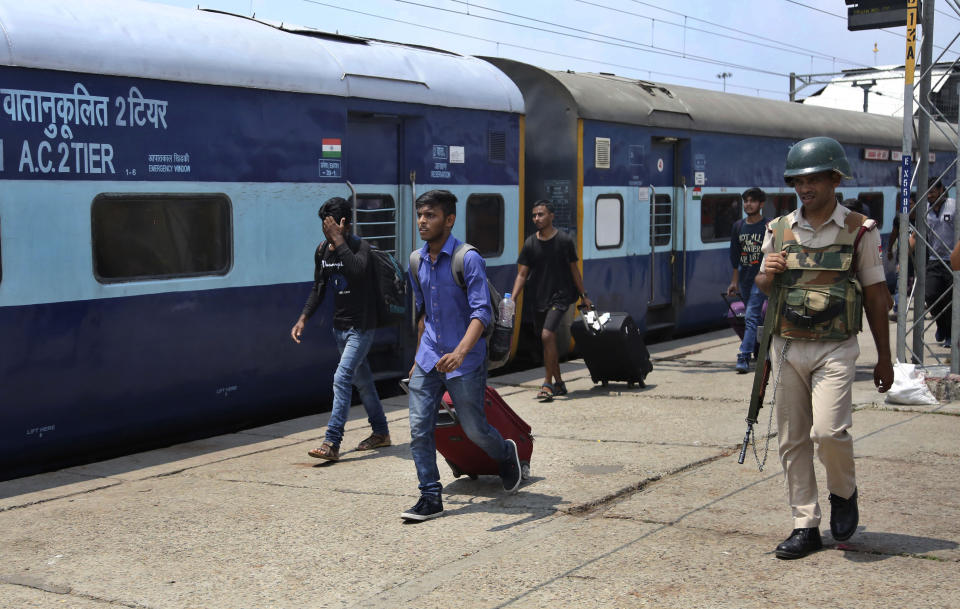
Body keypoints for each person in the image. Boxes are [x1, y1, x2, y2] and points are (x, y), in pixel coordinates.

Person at [755, 136, 893, 560]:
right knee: (793, 439)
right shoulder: (778, 230)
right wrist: (768, 272)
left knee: (828, 432)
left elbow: (875, 294)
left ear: (836, 178)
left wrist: (885, 357)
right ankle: (804, 524)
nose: (805, 187)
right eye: (798, 180)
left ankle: (843, 493)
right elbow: (762, 287)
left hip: (835, 348)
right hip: (787, 346)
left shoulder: (859, 230)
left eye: (814, 178)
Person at [402, 189, 522, 522]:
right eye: (420, 215)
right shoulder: (415, 261)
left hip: (465, 360)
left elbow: (482, 313)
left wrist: (460, 352)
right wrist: (417, 358)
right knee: (418, 429)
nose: (423, 222)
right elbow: (423, 315)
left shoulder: (467, 258)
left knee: (474, 429)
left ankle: (505, 454)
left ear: (449, 220)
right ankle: (429, 495)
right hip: (428, 358)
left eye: (431, 216)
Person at [290, 196, 391, 462]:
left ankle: (332, 442)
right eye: (324, 226)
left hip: (361, 327)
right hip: (340, 328)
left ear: (343, 223)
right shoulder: (322, 250)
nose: (325, 230)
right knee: (364, 383)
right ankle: (381, 433)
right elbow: (319, 288)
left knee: (342, 378)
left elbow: (357, 271)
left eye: (330, 225)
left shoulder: (361, 248)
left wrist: (339, 240)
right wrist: (303, 317)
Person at [510, 200, 592, 401]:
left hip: (561, 297)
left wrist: (584, 296)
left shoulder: (564, 241)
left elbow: (574, 270)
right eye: (534, 215)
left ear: (551, 216)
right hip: (539, 298)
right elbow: (522, 274)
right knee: (547, 341)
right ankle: (560, 383)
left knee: (547, 335)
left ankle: (547, 384)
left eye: (541, 214)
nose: (537, 218)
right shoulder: (530, 243)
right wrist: (512, 299)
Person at [726, 188, 768, 373]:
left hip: (762, 278)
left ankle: (743, 355)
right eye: (746, 201)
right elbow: (735, 257)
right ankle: (762, 351)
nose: (748, 204)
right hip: (745, 279)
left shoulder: (769, 226)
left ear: (761, 204)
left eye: (752, 201)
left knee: (751, 315)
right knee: (755, 318)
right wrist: (734, 282)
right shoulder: (738, 226)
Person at [910, 180, 956, 348]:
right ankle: (942, 326)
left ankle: (951, 334)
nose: (929, 196)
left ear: (942, 190)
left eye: (933, 192)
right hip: (935, 260)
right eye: (927, 193)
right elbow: (916, 235)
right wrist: (904, 253)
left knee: (951, 299)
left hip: (954, 261)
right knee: (930, 295)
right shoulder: (925, 211)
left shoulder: (954, 206)